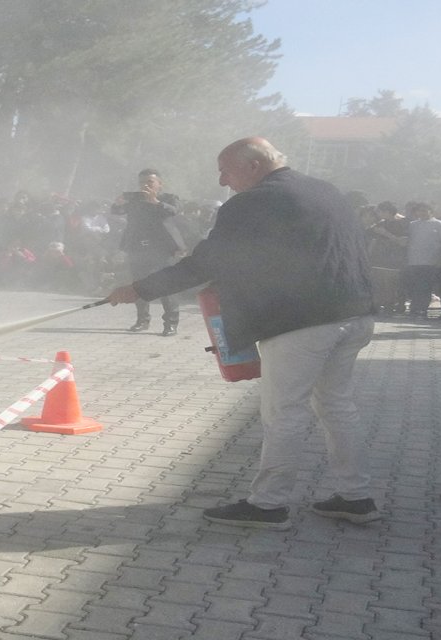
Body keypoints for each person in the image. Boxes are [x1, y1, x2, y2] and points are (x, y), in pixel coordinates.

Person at [106, 137, 378, 529]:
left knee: (284, 411)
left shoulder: (252, 202)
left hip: (301, 322)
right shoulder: (325, 190)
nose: (221, 180)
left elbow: (207, 263)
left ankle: (269, 505)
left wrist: (139, 289)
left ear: (253, 166)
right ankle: (356, 497)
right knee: (337, 406)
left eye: (225, 170)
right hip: (355, 314)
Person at [112, 169, 185, 336]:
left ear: (159, 184)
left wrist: (154, 200)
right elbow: (117, 211)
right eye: (142, 182)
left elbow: (173, 211)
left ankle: (170, 323)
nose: (145, 185)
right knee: (139, 285)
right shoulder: (135, 199)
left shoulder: (168, 198)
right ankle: (142, 320)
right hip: (137, 247)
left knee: (167, 286)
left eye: (149, 182)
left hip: (162, 249)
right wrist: (118, 203)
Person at [402, 201, 441, 319]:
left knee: (425, 287)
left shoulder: (439, 224)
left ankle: (422, 310)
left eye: (424, 210)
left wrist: (440, 259)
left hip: (430, 261)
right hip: (414, 261)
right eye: (419, 210)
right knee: (414, 286)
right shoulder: (413, 224)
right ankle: (414, 309)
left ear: (431, 211)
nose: (422, 213)